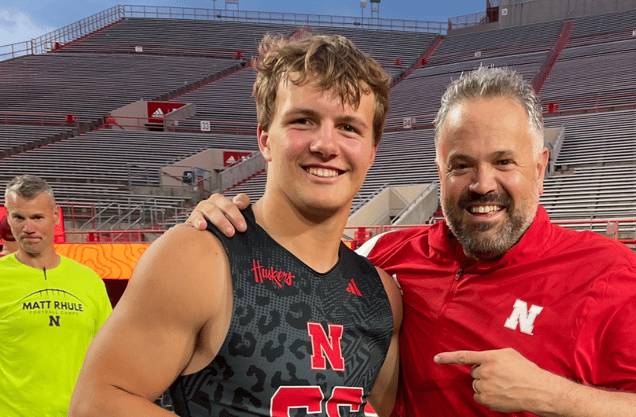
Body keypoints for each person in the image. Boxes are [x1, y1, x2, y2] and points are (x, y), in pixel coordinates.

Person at [189, 66, 636, 416]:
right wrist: (234, 220)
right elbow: (301, 260)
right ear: (440, 173)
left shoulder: (609, 273)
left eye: (504, 162)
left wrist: (553, 395)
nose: (482, 184)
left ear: (539, 168)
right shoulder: (388, 257)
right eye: (462, 166)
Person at [69, 33, 401, 417]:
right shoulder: (197, 255)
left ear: (372, 151)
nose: (325, 144)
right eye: (303, 120)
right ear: (264, 139)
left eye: (348, 127)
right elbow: (96, 401)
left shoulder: (383, 295)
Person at [0, 174, 112, 416]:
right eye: (19, 218)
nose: (28, 228)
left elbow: (109, 357)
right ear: (8, 218)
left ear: (55, 216)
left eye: (37, 217)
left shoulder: (89, 280)